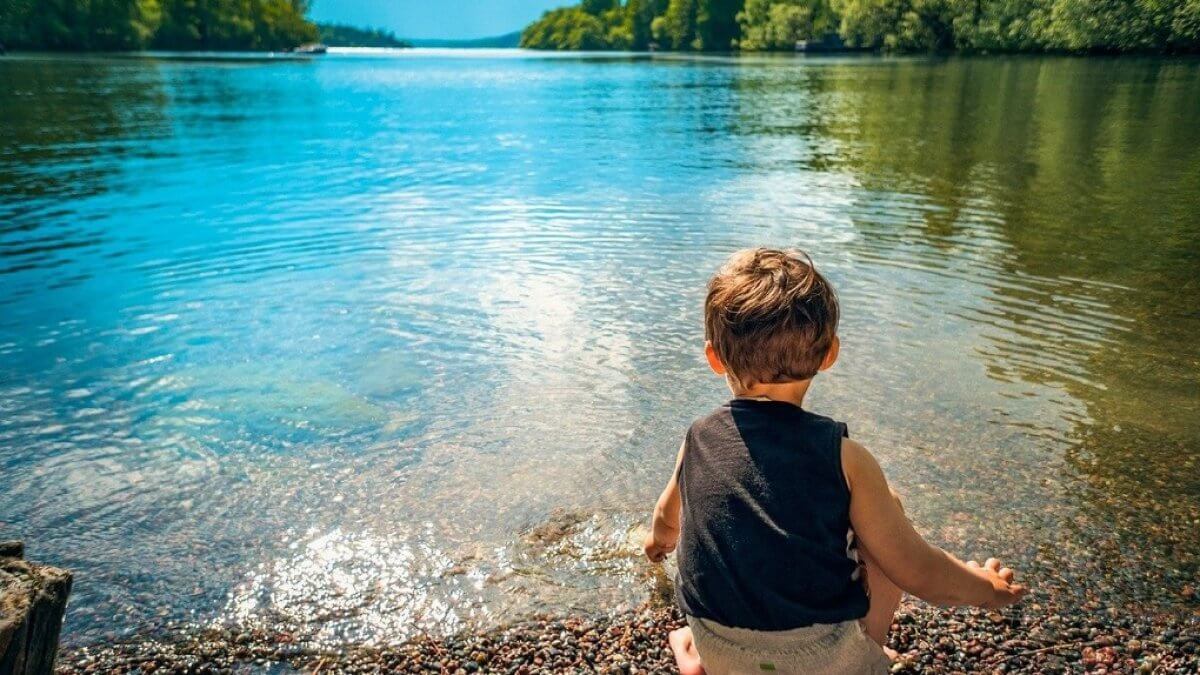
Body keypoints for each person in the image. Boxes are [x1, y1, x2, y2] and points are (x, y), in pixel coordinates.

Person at [643, 248, 1027, 674]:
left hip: (719, 646)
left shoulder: (697, 438)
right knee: (887, 509)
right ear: (830, 354)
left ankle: (694, 654)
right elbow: (918, 570)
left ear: (714, 357)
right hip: (822, 662)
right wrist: (986, 589)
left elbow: (666, 518)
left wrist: (656, 545)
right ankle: (868, 654)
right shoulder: (846, 458)